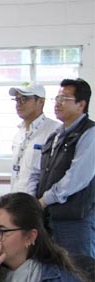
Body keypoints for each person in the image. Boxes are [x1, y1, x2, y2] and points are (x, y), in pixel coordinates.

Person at [31, 78, 94, 260]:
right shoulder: (56, 134)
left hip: (75, 221)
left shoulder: (89, 133)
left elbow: (76, 178)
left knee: (80, 273)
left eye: (64, 99)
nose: (58, 104)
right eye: (57, 99)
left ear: (81, 105)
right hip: (51, 218)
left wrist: (45, 200)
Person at [8, 84, 59, 195]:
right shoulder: (19, 133)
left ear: (40, 101)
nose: (18, 104)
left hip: (39, 203)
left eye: (24, 99)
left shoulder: (54, 131)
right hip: (16, 199)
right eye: (17, 100)